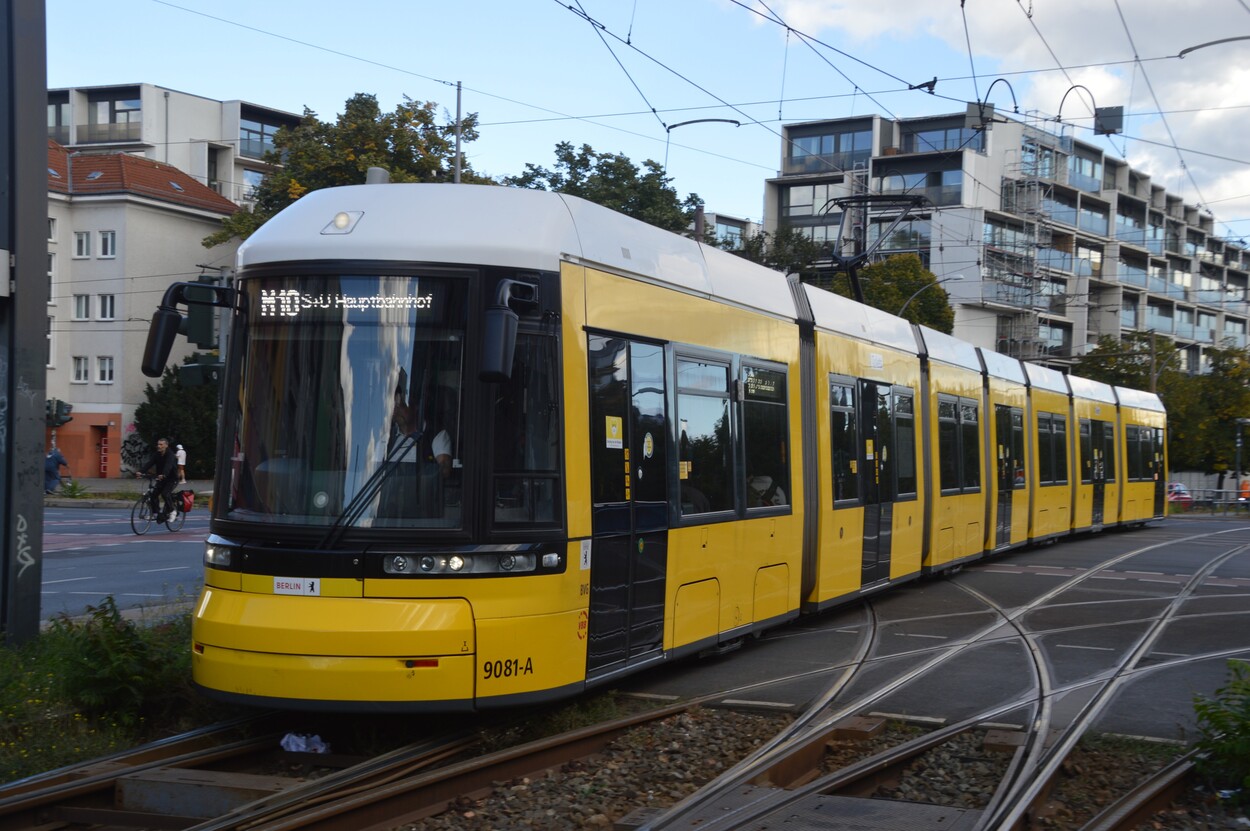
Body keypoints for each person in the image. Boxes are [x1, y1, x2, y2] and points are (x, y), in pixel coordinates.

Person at [137, 437, 179, 521]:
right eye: (158, 444)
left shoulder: (170, 454)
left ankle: (172, 511)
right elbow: (150, 463)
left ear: (166, 445)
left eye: (161, 444)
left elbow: (168, 465)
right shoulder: (157, 454)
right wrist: (141, 472)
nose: (159, 446)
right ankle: (155, 513)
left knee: (165, 493)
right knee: (153, 495)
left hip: (171, 479)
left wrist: (164, 474)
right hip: (161, 478)